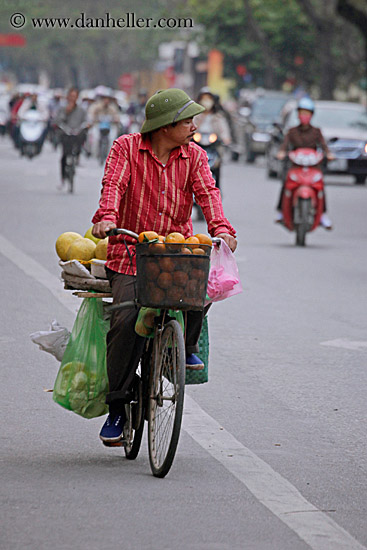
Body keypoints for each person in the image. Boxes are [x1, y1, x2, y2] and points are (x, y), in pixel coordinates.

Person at [91, 88, 237, 444]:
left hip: (176, 253)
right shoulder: (126, 148)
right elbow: (113, 186)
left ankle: (184, 346)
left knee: (198, 292)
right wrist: (107, 217)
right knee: (125, 317)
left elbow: (209, 195)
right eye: (187, 120)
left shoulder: (195, 156)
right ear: (164, 126)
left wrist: (221, 229)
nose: (193, 125)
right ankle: (117, 405)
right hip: (129, 252)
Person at [275, 97, 334, 229]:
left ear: (311, 115)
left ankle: (322, 214)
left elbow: (324, 146)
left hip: (313, 166)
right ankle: (281, 211)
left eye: (307, 113)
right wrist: (282, 152)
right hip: (296, 165)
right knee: (286, 184)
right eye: (302, 113)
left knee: (320, 187)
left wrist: (328, 154)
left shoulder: (316, 131)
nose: (304, 116)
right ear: (298, 115)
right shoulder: (292, 131)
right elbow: (284, 145)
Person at [55, 87, 87, 188]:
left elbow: (86, 121)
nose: (73, 98)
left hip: (77, 134)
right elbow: (58, 121)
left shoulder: (81, 110)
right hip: (66, 133)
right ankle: (63, 178)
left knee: (82, 138)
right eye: (71, 96)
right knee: (64, 155)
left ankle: (77, 157)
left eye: (75, 96)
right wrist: (67, 112)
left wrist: (85, 126)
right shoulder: (63, 108)